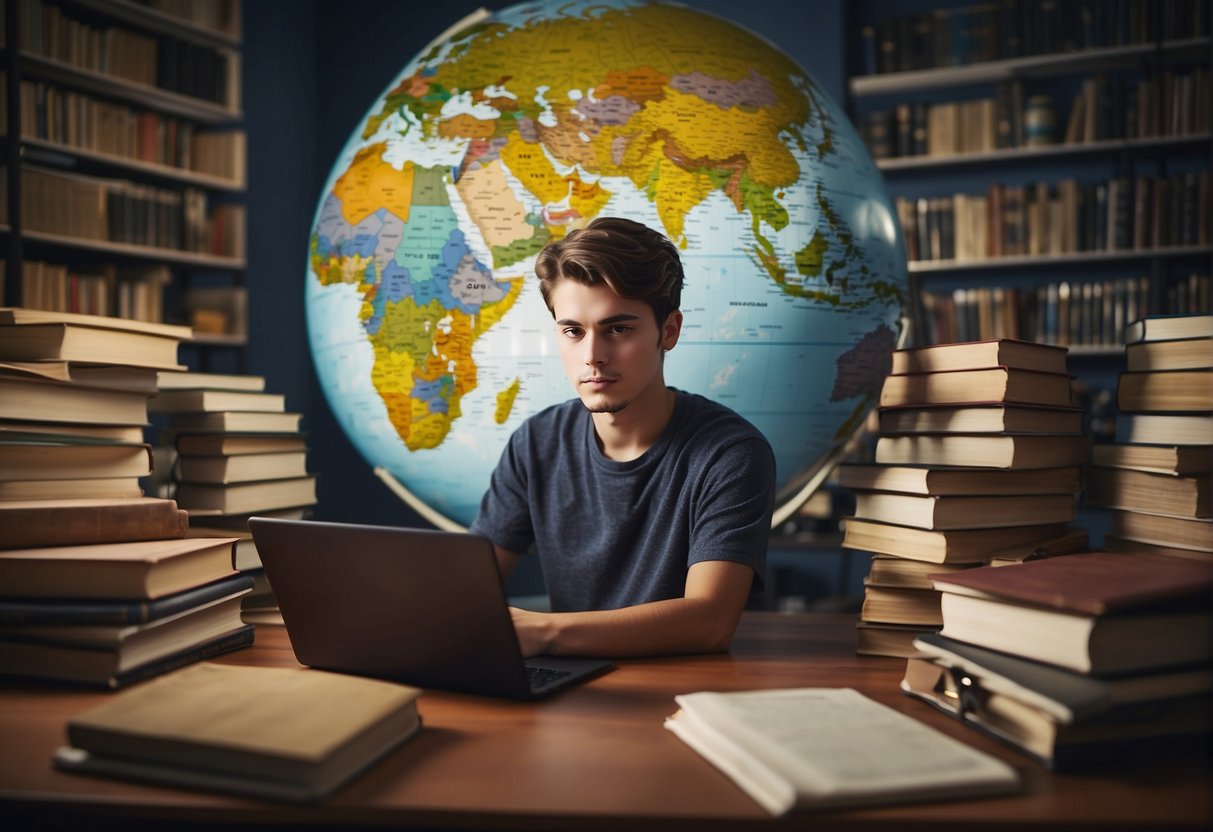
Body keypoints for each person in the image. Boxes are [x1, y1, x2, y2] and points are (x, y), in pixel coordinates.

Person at [470, 217, 776, 658]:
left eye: (617, 329)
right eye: (573, 331)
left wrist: (544, 632)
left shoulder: (730, 454)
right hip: (572, 693)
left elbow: (710, 621)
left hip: (686, 697)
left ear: (668, 331)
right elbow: (465, 589)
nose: (592, 356)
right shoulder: (536, 443)